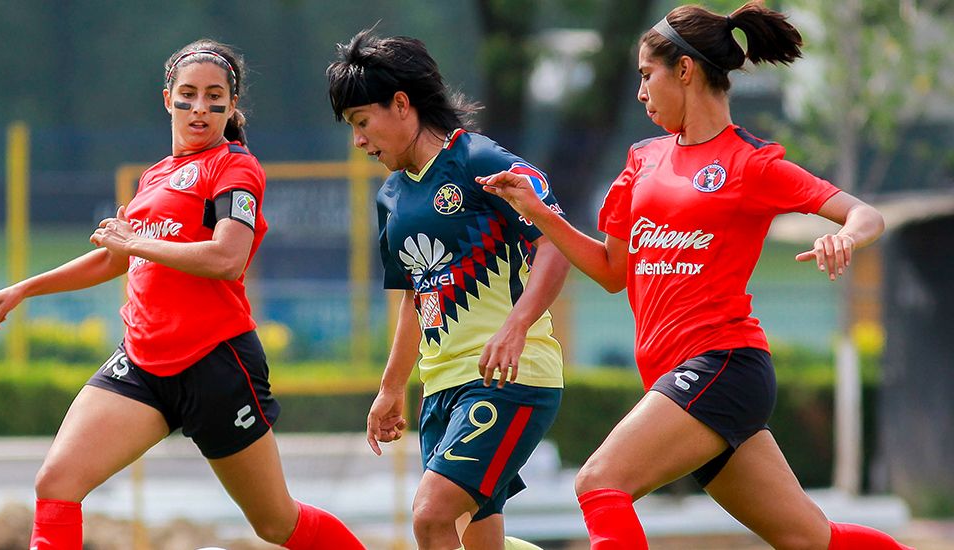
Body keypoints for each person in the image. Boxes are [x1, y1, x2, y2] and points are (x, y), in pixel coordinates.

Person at [479, 2, 915, 549]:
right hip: (684, 379)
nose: (640, 93)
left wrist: (844, 237)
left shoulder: (750, 163)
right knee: (808, 538)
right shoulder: (642, 160)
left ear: (684, 70)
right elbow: (614, 273)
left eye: (646, 75)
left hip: (723, 364)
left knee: (598, 482)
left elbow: (864, 214)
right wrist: (540, 215)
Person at [0, 39, 366, 550]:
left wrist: (138, 239)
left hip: (215, 364)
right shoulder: (155, 176)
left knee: (277, 524)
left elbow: (228, 257)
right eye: (188, 94)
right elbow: (116, 257)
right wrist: (26, 287)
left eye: (215, 96)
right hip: (143, 363)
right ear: (168, 98)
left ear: (232, 106)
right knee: (56, 484)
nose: (201, 107)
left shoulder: (234, 167)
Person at [326, 29, 572, 550]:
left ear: (401, 104)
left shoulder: (479, 161)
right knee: (480, 542)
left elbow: (556, 242)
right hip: (440, 392)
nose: (359, 141)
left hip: (507, 378)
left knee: (430, 518)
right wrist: (392, 388)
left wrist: (516, 326)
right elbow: (418, 297)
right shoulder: (391, 196)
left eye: (361, 122)